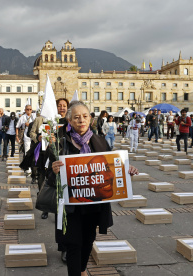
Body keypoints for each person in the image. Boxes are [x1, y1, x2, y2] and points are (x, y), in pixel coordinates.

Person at [48, 101, 139, 276]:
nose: (81, 120)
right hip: (71, 205)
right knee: (73, 244)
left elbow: (113, 166)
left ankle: (82, 269)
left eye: (84, 116)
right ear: (69, 121)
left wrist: (126, 170)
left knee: (88, 240)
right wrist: (54, 171)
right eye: (76, 117)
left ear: (90, 118)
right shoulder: (60, 144)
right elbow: (50, 179)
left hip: (94, 203)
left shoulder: (100, 141)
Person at [16, 105, 35, 173]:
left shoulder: (34, 116)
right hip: (26, 137)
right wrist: (17, 136)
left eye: (30, 109)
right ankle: (28, 169)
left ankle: (33, 168)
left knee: (34, 153)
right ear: (25, 110)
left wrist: (30, 125)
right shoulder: (23, 117)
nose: (29, 111)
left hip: (34, 137)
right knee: (27, 152)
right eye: (27, 109)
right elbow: (17, 126)